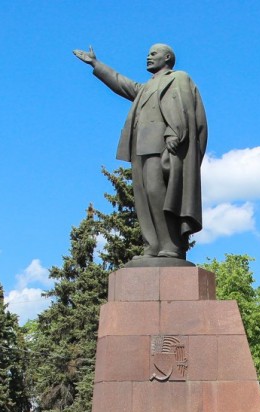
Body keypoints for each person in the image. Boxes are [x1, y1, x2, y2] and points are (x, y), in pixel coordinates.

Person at [74, 43, 207, 261]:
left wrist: (175, 133)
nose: (148, 57)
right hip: (141, 149)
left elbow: (182, 107)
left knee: (159, 194)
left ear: (167, 58)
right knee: (144, 199)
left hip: (162, 147)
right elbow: (121, 83)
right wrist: (96, 64)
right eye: (148, 54)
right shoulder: (146, 88)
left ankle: (171, 245)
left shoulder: (178, 78)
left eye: (153, 54)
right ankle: (153, 244)